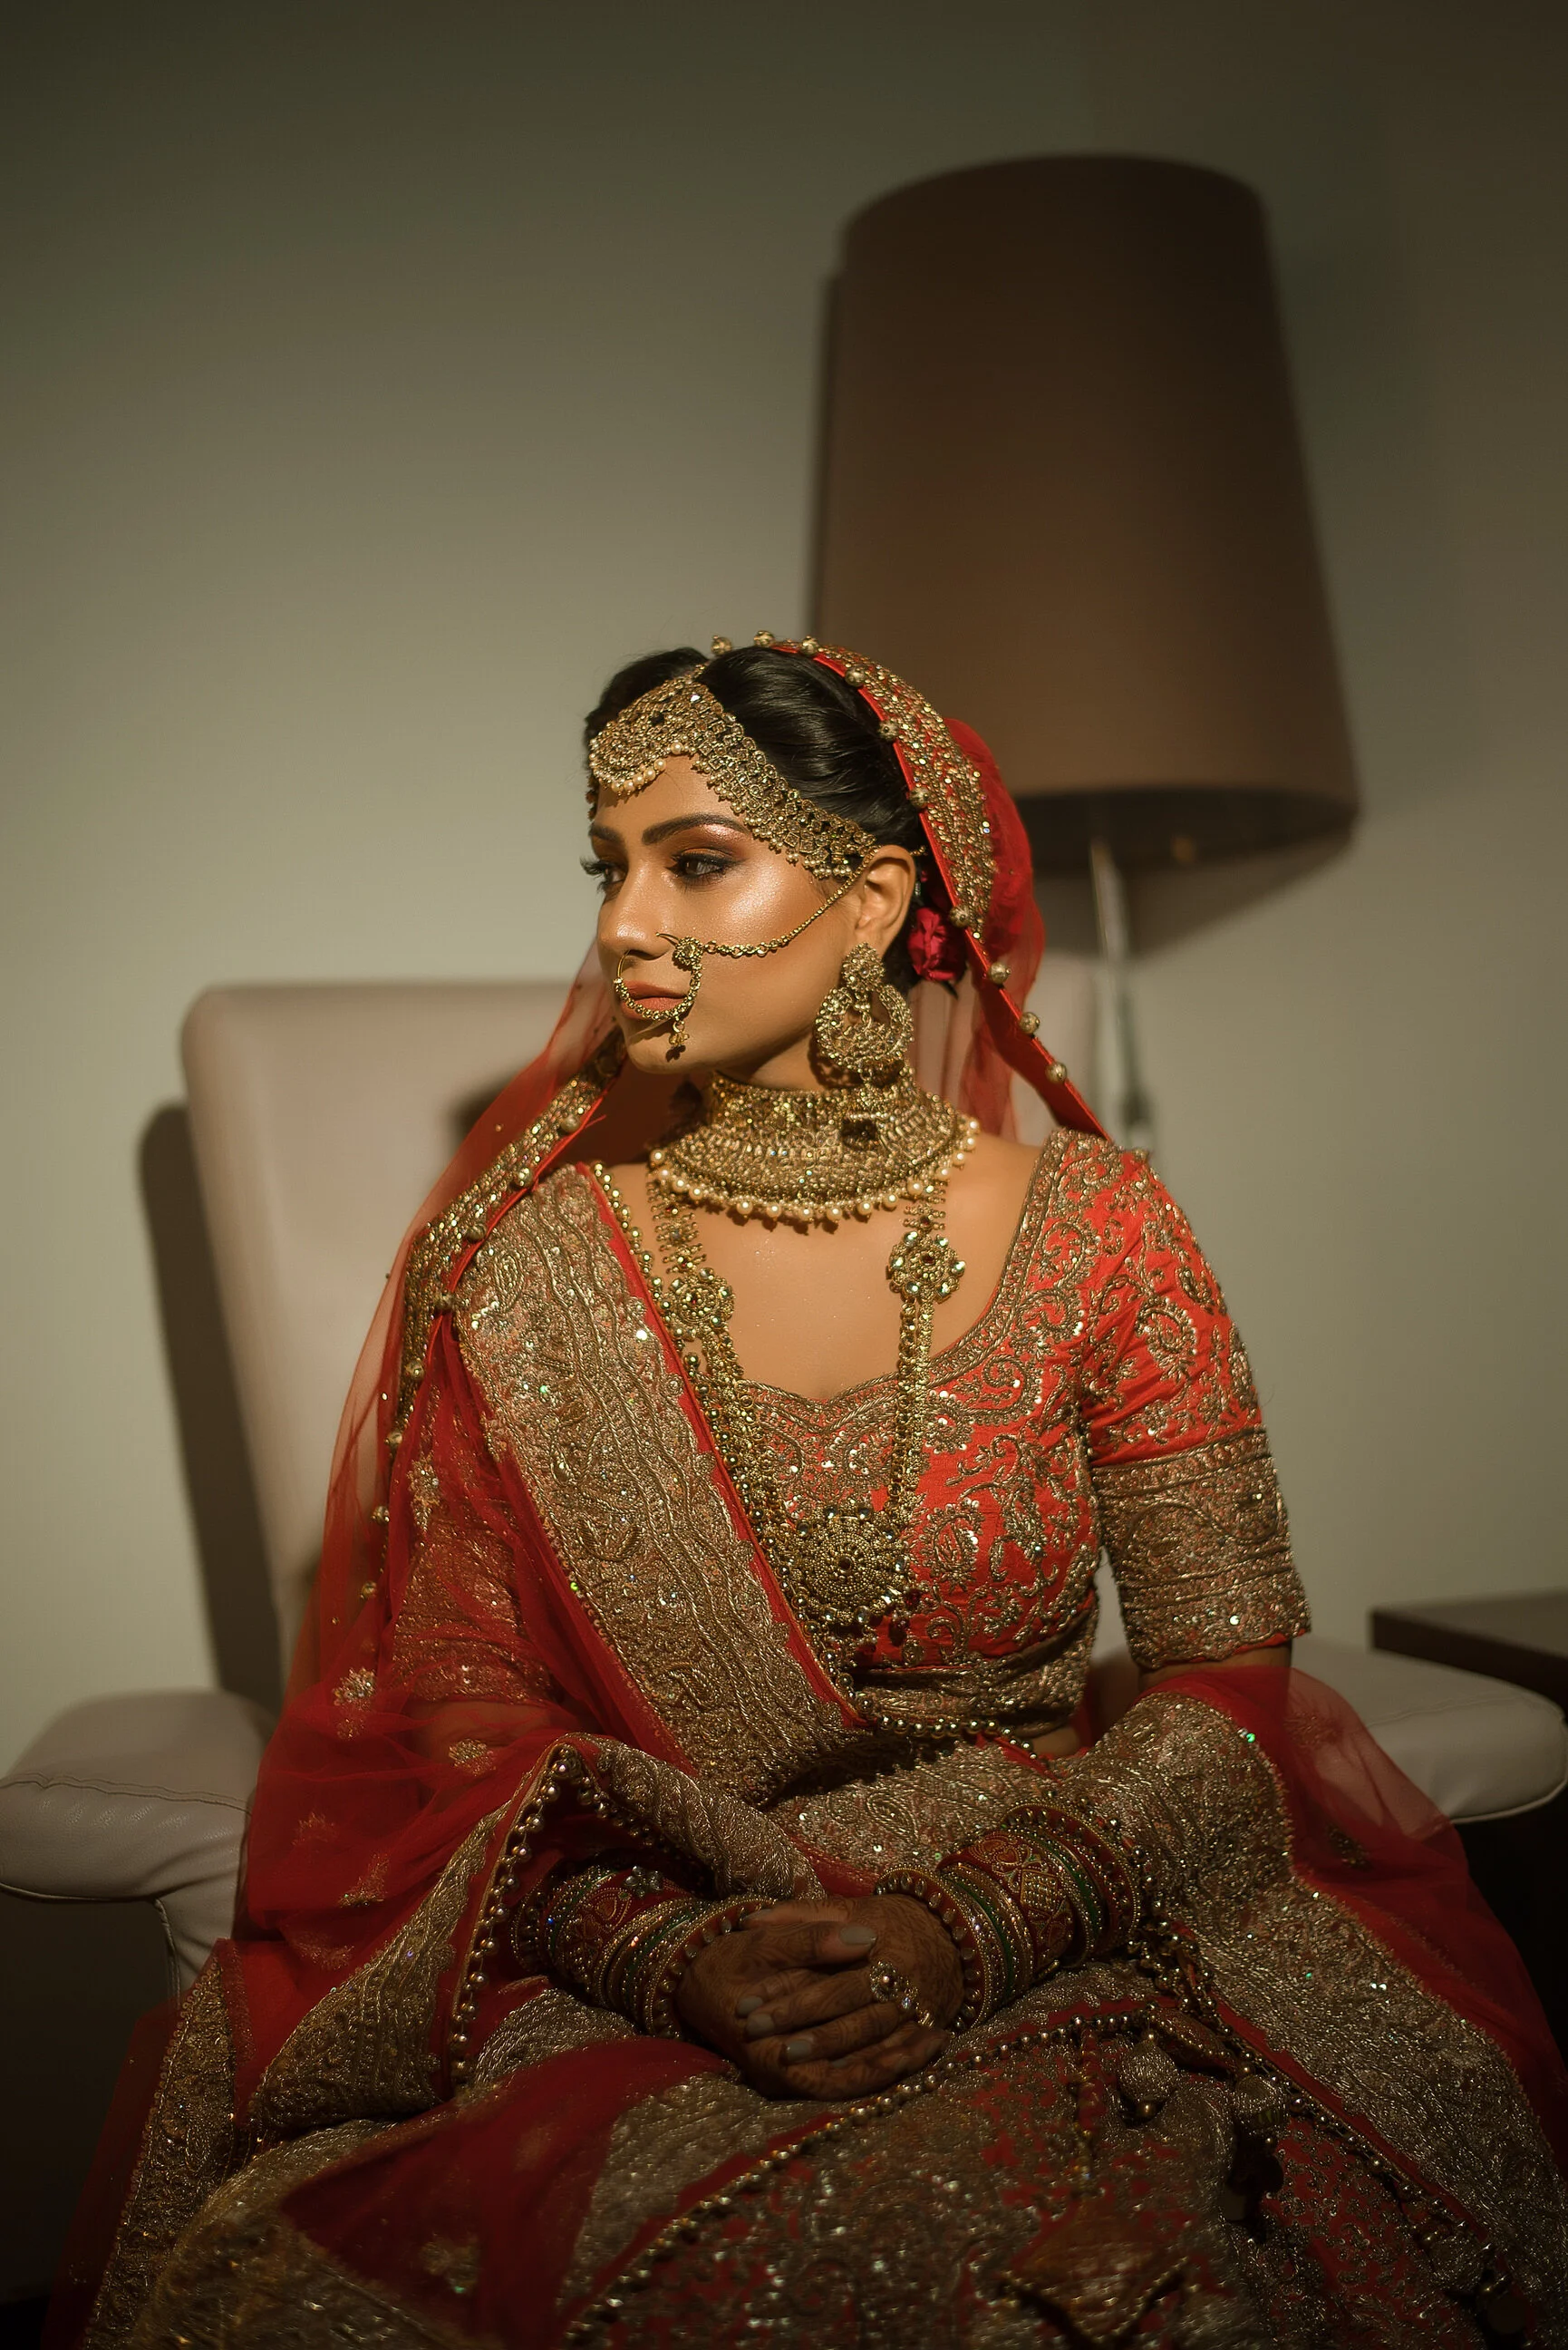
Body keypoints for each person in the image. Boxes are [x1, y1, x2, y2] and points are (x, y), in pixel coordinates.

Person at [57, 638, 1568, 2350]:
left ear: (868, 903)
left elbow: (1226, 1680)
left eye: (695, 861)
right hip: (660, 1937)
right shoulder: (530, 1270)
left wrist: (968, 1928)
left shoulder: (1104, 1235)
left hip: (1057, 1912)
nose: (625, 921)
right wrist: (664, 1958)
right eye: (608, 866)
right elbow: (454, 1717)